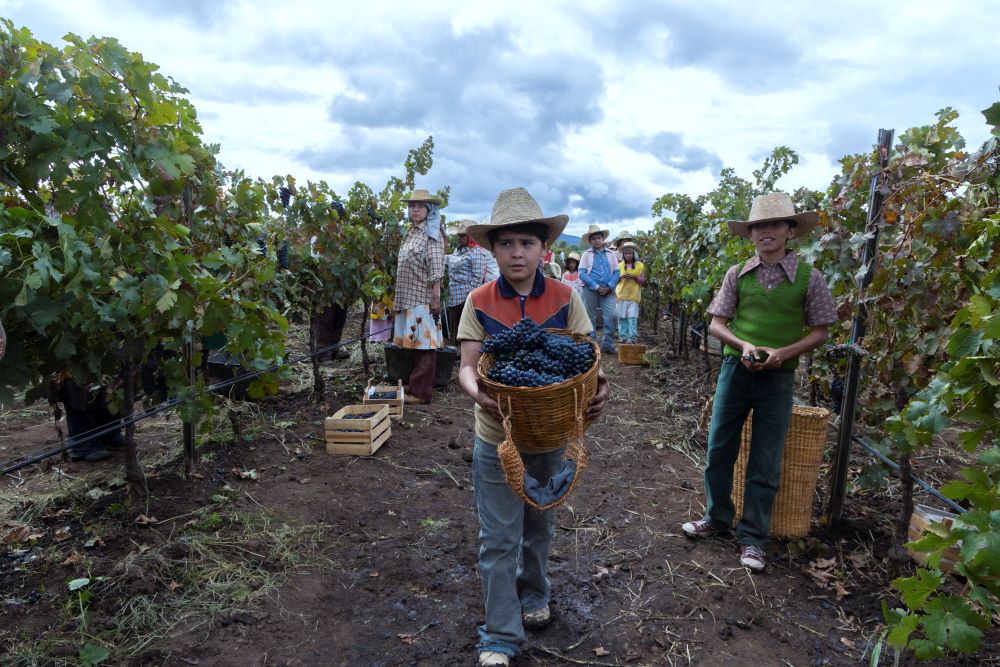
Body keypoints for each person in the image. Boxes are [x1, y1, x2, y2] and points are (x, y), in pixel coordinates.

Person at [458, 187, 611, 667]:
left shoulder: (567, 297)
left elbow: (587, 360)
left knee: (539, 524)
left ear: (543, 248)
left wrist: (599, 387)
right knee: (498, 536)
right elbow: (467, 365)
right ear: (493, 248)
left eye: (526, 243)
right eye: (507, 244)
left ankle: (535, 592)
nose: (517, 253)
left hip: (550, 433)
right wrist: (476, 391)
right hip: (496, 436)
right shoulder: (478, 300)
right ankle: (500, 635)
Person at [681, 192, 838, 572]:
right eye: (758, 226)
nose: (766, 232)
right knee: (719, 449)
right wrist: (744, 344)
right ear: (750, 234)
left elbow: (821, 331)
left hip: (779, 378)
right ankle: (717, 519)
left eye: (774, 225)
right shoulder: (737, 274)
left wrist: (783, 353)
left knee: (766, 460)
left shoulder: (809, 278)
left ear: (789, 230)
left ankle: (752, 538)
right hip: (736, 372)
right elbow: (718, 325)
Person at [392, 188, 446, 404]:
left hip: (422, 297)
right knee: (416, 344)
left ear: (428, 209)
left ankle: (422, 392)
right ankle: (416, 384)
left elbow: (436, 267)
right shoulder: (413, 231)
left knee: (424, 346)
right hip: (409, 296)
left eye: (420, 206)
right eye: (412, 205)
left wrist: (435, 297)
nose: (415, 209)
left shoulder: (431, 234)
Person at [446, 221, 493, 345]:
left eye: (463, 236)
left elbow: (477, 278)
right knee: (455, 327)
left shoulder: (477, 252)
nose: (460, 238)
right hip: (454, 296)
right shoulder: (458, 251)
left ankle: (465, 355)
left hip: (465, 296)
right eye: (459, 236)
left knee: (466, 330)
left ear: (470, 236)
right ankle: (456, 353)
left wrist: (470, 299)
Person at [578, 225, 619, 354]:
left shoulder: (611, 254)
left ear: (603, 239)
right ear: (590, 241)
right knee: (589, 316)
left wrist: (610, 286)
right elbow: (582, 273)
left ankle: (607, 344)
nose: (596, 240)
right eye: (594, 238)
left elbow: (617, 273)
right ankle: (592, 344)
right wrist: (596, 286)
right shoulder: (586, 254)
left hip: (608, 290)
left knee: (612, 315)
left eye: (598, 237)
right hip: (590, 289)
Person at [615, 243, 644, 344]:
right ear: (623, 255)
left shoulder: (640, 266)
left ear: (634, 254)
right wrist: (621, 278)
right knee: (622, 317)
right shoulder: (619, 266)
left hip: (634, 295)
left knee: (632, 317)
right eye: (626, 253)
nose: (628, 255)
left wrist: (635, 277)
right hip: (621, 294)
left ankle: (632, 338)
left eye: (630, 253)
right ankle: (623, 337)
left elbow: (642, 281)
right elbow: (615, 280)